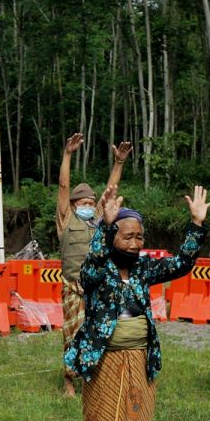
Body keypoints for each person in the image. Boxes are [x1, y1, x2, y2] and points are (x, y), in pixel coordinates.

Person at [66, 185, 210, 421]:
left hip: (139, 359)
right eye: (127, 236)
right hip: (104, 361)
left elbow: (181, 264)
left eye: (139, 237)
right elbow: (90, 269)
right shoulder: (97, 270)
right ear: (112, 237)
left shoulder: (145, 268)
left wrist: (196, 225)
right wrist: (104, 225)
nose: (134, 243)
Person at [56, 134, 132, 397]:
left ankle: (95, 377)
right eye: (83, 204)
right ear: (74, 206)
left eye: (91, 203)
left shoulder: (97, 221)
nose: (88, 207)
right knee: (72, 333)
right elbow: (64, 186)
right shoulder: (66, 221)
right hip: (72, 288)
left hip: (97, 287)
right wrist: (68, 155)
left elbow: (111, 192)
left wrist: (119, 163)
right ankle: (69, 380)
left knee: (100, 331)